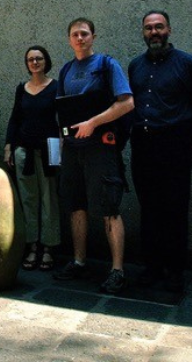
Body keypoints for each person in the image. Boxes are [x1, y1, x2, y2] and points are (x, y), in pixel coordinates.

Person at [128, 11, 192, 292]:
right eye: (149, 28)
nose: (154, 32)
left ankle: (175, 271)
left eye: (159, 27)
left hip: (176, 146)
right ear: (143, 32)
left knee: (174, 209)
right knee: (149, 208)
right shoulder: (135, 66)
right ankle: (152, 267)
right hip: (144, 145)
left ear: (169, 30)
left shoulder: (188, 65)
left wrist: (187, 143)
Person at [53, 18, 134, 294]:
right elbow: (62, 112)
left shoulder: (106, 65)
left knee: (109, 207)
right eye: (74, 34)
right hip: (73, 150)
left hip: (101, 147)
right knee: (76, 206)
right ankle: (78, 262)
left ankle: (117, 270)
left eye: (84, 34)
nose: (79, 38)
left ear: (93, 37)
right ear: (69, 39)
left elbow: (127, 103)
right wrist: (64, 142)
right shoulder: (65, 71)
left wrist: (93, 123)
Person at [4, 45, 61, 271]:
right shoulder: (22, 88)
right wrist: (9, 147)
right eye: (30, 59)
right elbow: (14, 119)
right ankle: (32, 246)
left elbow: (61, 120)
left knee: (49, 199)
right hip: (23, 152)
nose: (35, 62)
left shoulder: (56, 87)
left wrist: (61, 150)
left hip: (48, 151)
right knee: (28, 200)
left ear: (46, 61)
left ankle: (48, 248)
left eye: (38, 58)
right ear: (27, 64)